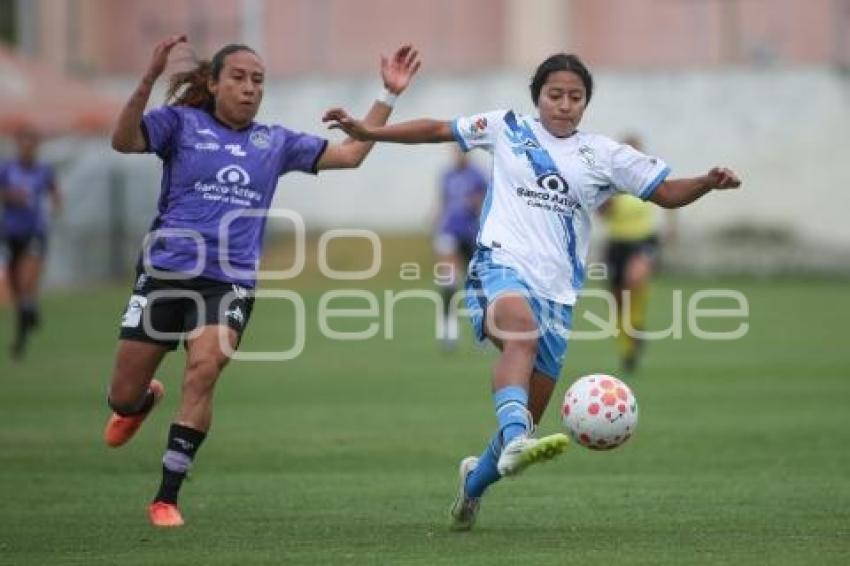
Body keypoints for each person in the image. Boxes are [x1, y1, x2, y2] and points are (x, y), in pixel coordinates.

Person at [323, 52, 741, 530]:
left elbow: (665, 191)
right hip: (498, 266)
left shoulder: (603, 155)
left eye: (575, 97)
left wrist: (707, 183)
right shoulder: (506, 127)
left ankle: (473, 485)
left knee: (517, 427)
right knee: (519, 335)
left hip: (559, 295)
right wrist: (368, 131)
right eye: (554, 95)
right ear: (537, 97)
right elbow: (438, 129)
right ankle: (518, 433)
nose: (564, 104)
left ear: (586, 103)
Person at [105, 34, 420, 528]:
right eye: (239, 77)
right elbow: (123, 141)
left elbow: (351, 154)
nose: (251, 88)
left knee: (204, 368)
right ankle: (142, 401)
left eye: (259, 81)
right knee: (121, 395)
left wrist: (388, 95)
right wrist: (147, 79)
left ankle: (166, 496)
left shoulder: (273, 142)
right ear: (211, 83)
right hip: (165, 272)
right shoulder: (180, 124)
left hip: (229, 281)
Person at [598, 135, 674, 374]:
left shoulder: (650, 174)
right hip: (616, 243)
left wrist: (672, 227)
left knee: (635, 279)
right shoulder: (610, 179)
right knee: (620, 301)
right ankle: (629, 351)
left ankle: (637, 325)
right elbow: (602, 213)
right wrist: (607, 201)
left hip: (643, 240)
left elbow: (671, 196)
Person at [0, 127, 62, 360]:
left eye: (31, 143)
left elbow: (56, 195)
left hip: (35, 233)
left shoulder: (44, 171)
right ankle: (30, 312)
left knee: (26, 285)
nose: (27, 148)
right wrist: (11, 197)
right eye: (23, 143)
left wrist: (55, 208)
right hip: (10, 233)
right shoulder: (7, 169)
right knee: (17, 290)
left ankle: (20, 342)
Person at [433, 147, 486, 350]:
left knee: (477, 285)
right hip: (449, 232)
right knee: (448, 283)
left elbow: (482, 203)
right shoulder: (446, 175)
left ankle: (483, 332)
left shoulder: (477, 175)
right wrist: (436, 219)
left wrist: (475, 204)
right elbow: (443, 202)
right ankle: (449, 332)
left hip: (471, 233)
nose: (458, 156)